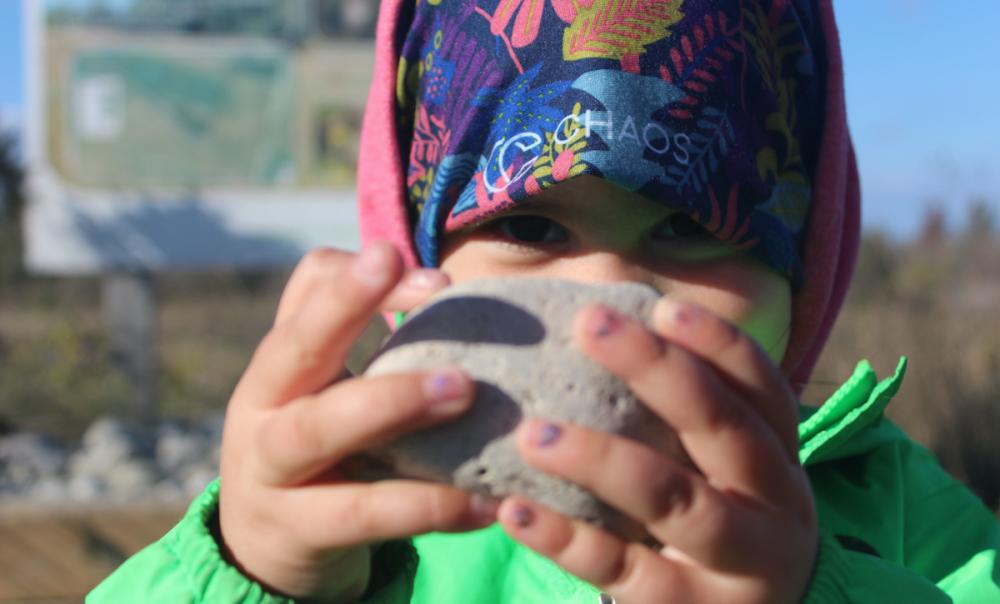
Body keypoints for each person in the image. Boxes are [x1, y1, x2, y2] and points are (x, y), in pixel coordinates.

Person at [89, 0, 1000, 602]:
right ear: (416, 248)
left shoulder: (905, 518)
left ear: (806, 261)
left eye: (691, 222)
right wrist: (251, 574)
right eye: (529, 228)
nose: (608, 295)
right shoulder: (333, 513)